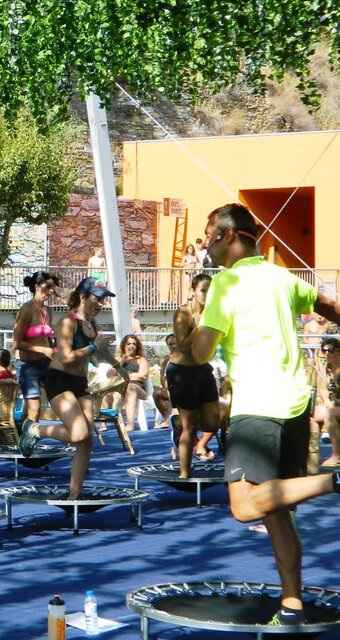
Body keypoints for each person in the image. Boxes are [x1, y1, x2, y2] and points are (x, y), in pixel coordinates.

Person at [189, 203, 340, 625]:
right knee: (278, 512)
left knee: (244, 507)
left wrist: (197, 323)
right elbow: (328, 305)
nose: (205, 245)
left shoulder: (226, 283)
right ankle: (292, 607)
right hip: (295, 405)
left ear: (228, 235)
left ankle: (335, 481)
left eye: (209, 234)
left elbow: (200, 353)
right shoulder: (281, 276)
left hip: (257, 407)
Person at [18, 277, 126, 500]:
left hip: (80, 383)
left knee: (87, 440)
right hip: (59, 380)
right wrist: (93, 347)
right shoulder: (68, 321)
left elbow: (101, 350)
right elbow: (66, 357)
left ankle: (74, 493)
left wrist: (120, 369)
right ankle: (35, 430)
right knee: (78, 433)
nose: (101, 304)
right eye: (98, 299)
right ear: (83, 297)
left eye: (103, 300)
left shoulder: (92, 324)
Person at [167, 273, 222, 476]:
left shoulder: (213, 312)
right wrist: (200, 324)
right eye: (203, 291)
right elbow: (182, 345)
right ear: (193, 291)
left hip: (202, 369)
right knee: (190, 427)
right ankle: (184, 472)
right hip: (181, 371)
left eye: (210, 291)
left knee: (214, 422)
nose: (207, 295)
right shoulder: (183, 313)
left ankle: (182, 423)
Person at [13, 271, 60, 423]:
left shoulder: (48, 311)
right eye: (48, 286)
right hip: (28, 365)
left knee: (62, 398)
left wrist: (53, 350)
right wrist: (43, 350)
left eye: (53, 287)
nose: (51, 291)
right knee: (34, 411)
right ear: (37, 286)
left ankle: (23, 428)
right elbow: (16, 343)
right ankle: (27, 434)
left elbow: (48, 338)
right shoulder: (26, 310)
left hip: (46, 363)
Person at [114, 334, 150, 433]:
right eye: (129, 344)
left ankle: (130, 424)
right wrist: (122, 360)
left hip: (137, 388)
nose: (132, 346)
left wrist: (126, 376)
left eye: (134, 344)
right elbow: (110, 374)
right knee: (106, 394)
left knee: (130, 388)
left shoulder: (141, 359)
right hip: (119, 389)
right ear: (123, 346)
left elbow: (143, 375)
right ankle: (103, 424)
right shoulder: (118, 359)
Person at [313, 338, 340, 466]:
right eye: (324, 351)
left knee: (330, 414)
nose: (327, 354)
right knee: (311, 415)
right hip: (334, 405)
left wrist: (335, 403)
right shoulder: (326, 368)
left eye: (330, 350)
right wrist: (326, 400)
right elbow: (323, 388)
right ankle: (312, 457)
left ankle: (336, 456)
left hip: (336, 406)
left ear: (338, 351)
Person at [152, 333, 177, 427]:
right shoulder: (167, 360)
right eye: (170, 344)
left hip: (186, 390)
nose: (172, 346)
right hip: (171, 390)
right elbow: (162, 378)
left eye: (174, 344)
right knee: (157, 393)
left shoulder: (188, 357)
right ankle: (167, 420)